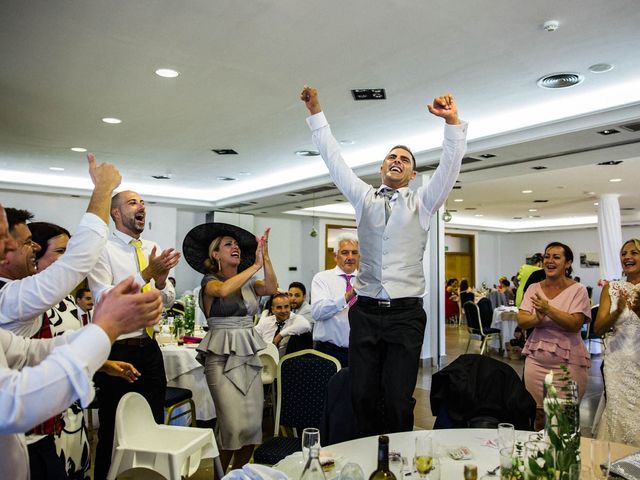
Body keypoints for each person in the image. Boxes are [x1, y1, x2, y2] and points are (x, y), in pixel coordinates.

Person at [301, 85, 467, 435]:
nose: (397, 161)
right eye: (392, 157)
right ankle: (364, 459)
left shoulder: (423, 204)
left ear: (412, 175)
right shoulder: (363, 199)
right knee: (361, 394)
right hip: (366, 311)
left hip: (405, 315)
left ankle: (396, 462)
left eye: (405, 160)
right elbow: (334, 160)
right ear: (381, 167)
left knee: (396, 398)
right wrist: (316, 112)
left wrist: (452, 124)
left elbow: (450, 168)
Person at [0, 202, 163, 480]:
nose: (7, 246)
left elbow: (30, 351)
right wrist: (107, 328)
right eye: (4, 237)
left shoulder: (53, 299)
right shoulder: (15, 296)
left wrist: (102, 352)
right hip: (38, 420)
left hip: (63, 408)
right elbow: (12, 402)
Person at [88, 190, 180, 480]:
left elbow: (165, 301)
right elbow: (105, 298)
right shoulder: (102, 249)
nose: (141, 207)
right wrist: (147, 274)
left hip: (149, 348)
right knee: (115, 430)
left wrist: (162, 282)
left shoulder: (151, 247)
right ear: (116, 213)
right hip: (117, 350)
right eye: (132, 202)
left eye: (143, 203)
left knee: (152, 423)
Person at [182, 222, 277, 471]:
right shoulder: (210, 281)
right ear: (215, 254)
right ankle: (220, 476)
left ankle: (238, 475)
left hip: (248, 355)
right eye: (228, 244)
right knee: (232, 427)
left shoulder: (250, 283)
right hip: (220, 358)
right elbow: (223, 291)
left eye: (236, 244)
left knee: (252, 428)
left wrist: (264, 257)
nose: (234, 246)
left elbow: (270, 288)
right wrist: (255, 265)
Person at [517, 242, 591, 430]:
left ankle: (563, 459)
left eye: (556, 257)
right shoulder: (534, 288)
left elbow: (575, 324)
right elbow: (523, 321)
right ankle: (539, 458)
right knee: (538, 415)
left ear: (568, 263)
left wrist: (548, 309)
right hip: (536, 361)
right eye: (547, 256)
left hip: (568, 363)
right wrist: (537, 318)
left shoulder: (578, 290)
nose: (550, 261)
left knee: (564, 420)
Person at [595, 239, 640, 447]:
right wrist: (618, 311)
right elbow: (598, 328)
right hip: (617, 363)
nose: (627, 257)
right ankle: (614, 460)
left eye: (634, 252)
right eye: (624, 253)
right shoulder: (611, 288)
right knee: (617, 410)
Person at [310, 232, 360, 367]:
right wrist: (348, 296)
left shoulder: (367, 281)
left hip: (361, 352)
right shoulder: (322, 279)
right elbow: (317, 313)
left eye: (354, 253)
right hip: (329, 352)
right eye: (345, 253)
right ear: (335, 256)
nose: (350, 257)